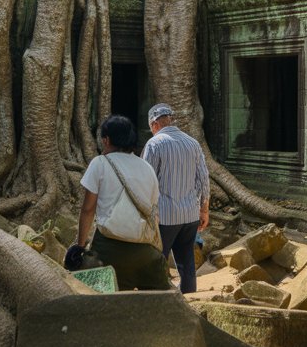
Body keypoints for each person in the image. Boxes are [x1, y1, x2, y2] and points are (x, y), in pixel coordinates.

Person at [73, 115, 171, 290]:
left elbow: (88, 209)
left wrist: (79, 246)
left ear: (106, 140)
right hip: (145, 253)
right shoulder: (146, 167)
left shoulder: (99, 163)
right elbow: (153, 213)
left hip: (109, 251)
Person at [141, 103, 210, 293]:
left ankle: (157, 299)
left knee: (156, 259)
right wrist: (204, 210)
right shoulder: (192, 143)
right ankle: (189, 298)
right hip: (189, 215)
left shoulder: (155, 144)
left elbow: (146, 180)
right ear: (170, 120)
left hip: (164, 216)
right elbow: (204, 179)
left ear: (154, 124)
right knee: (186, 261)